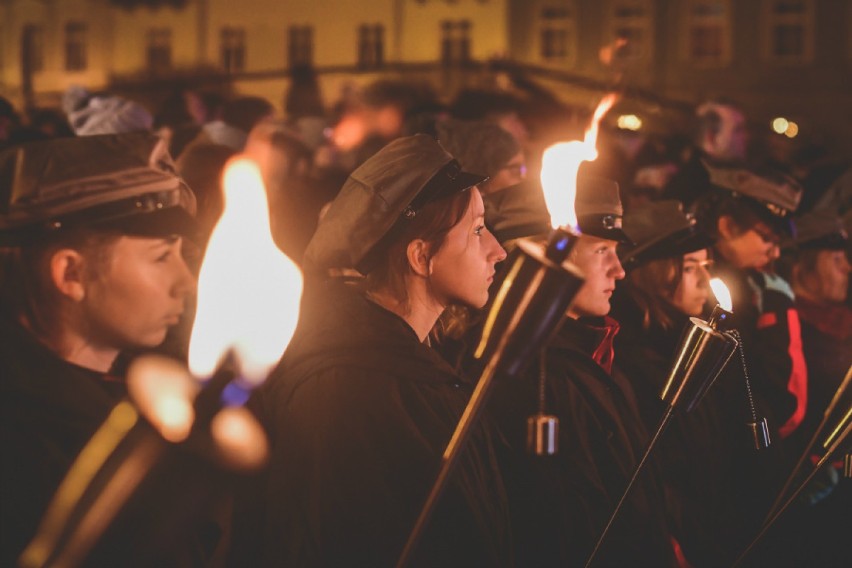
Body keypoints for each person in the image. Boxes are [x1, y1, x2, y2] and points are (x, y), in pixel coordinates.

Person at [233, 134, 511, 567]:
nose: (498, 249)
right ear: (420, 256)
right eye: (477, 230)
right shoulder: (351, 390)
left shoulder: (406, 366)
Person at [0, 132, 196, 565]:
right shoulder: (27, 450)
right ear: (71, 273)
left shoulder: (138, 385)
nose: (187, 282)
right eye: (162, 257)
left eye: (184, 256)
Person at [490, 176, 676, 567]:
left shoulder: (596, 355)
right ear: (544, 256)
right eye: (602, 250)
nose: (619, 270)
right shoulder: (532, 376)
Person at [611, 200, 752, 566]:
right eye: (689, 267)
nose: (705, 281)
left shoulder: (692, 343)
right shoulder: (633, 357)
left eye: (706, 266)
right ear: (652, 271)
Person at [663, 98, 750, 207]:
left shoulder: (730, 180)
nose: (746, 137)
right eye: (738, 130)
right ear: (711, 138)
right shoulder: (692, 190)